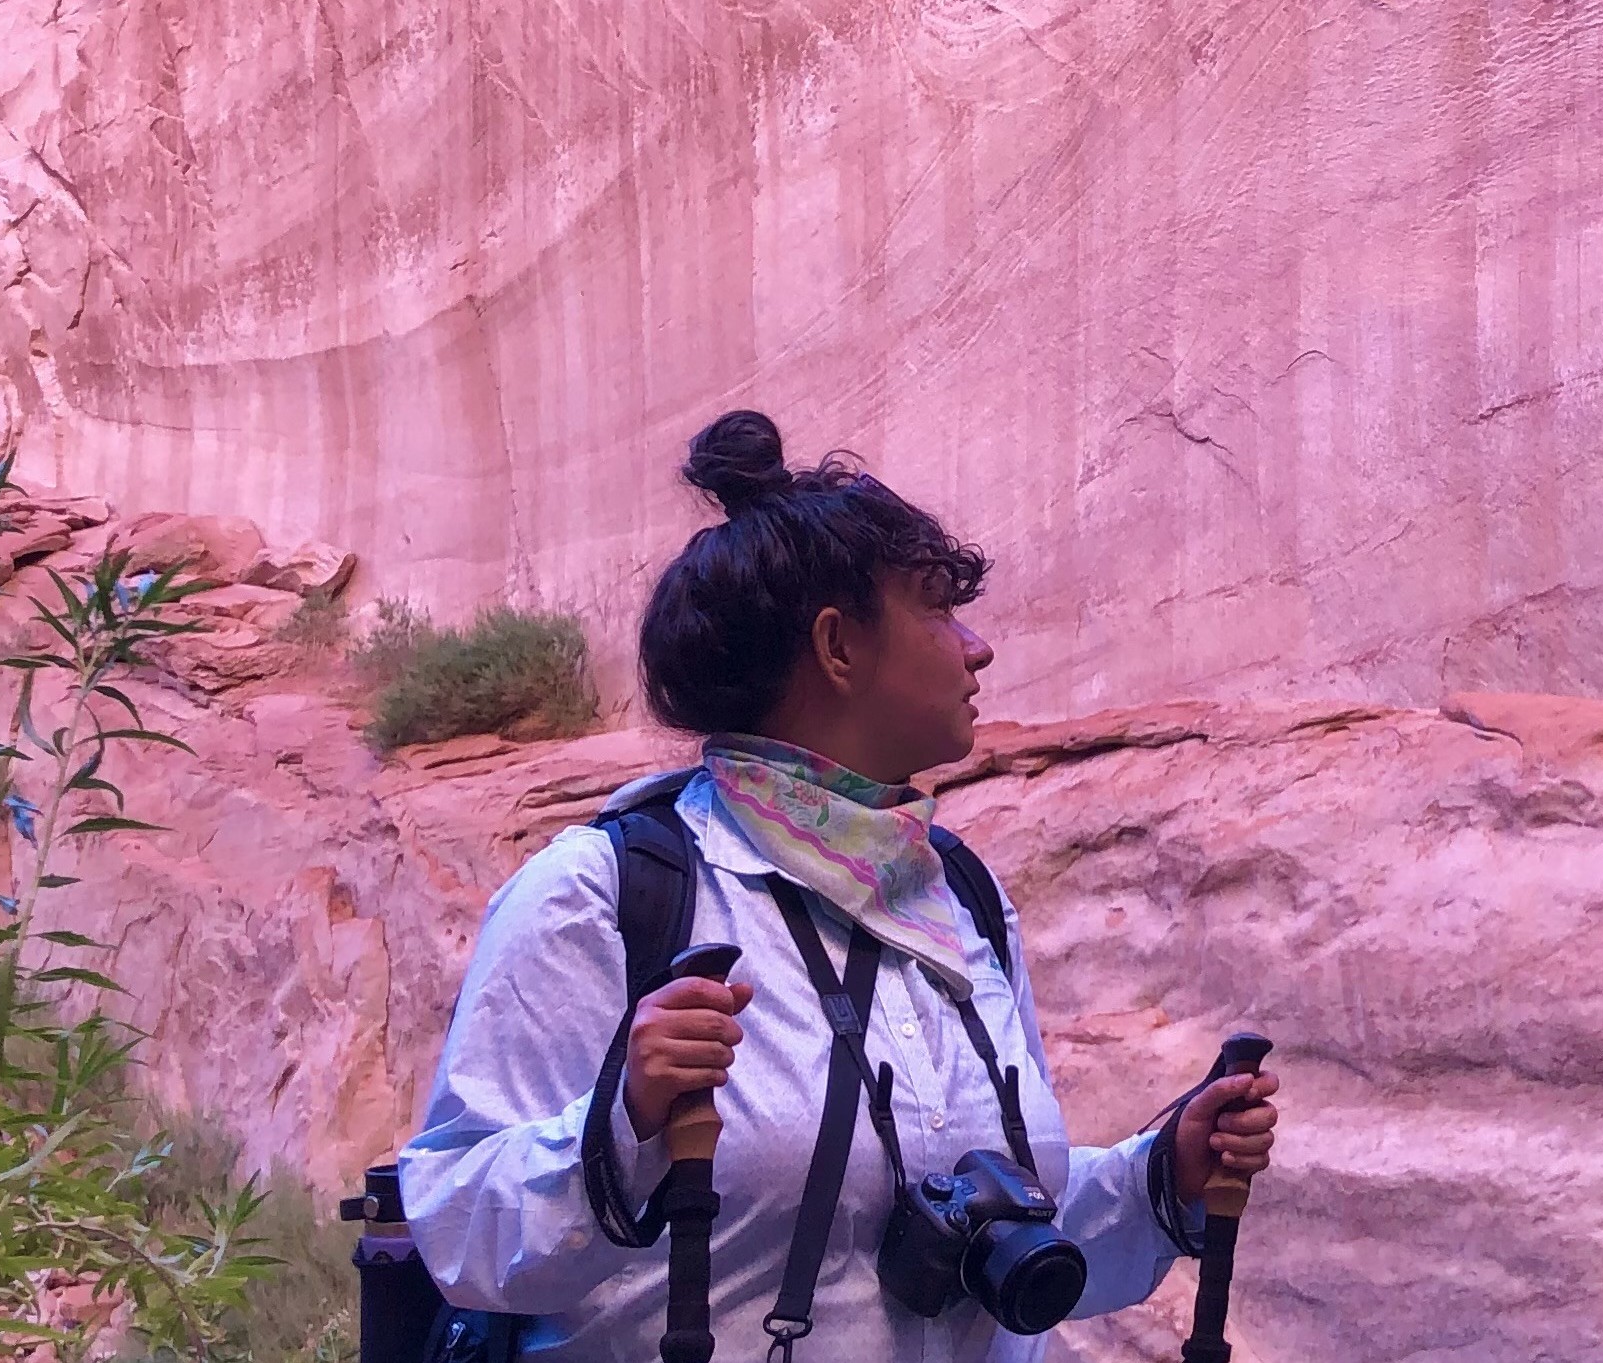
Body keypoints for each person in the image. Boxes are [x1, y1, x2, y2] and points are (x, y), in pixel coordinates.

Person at [400, 410, 1280, 1359]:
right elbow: (462, 1228)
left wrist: (1164, 1175)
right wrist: (627, 1122)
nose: (976, 647)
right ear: (837, 647)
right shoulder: (608, 893)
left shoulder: (961, 898)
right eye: (939, 608)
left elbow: (983, 1230)